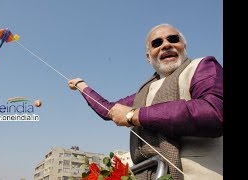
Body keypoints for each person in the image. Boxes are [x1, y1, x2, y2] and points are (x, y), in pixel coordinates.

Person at [68, 23, 223, 180]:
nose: (166, 45)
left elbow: (214, 112)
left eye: (173, 39)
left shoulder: (202, 66)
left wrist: (134, 115)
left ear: (184, 46)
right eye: (157, 43)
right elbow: (109, 110)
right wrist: (82, 86)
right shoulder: (145, 92)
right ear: (149, 57)